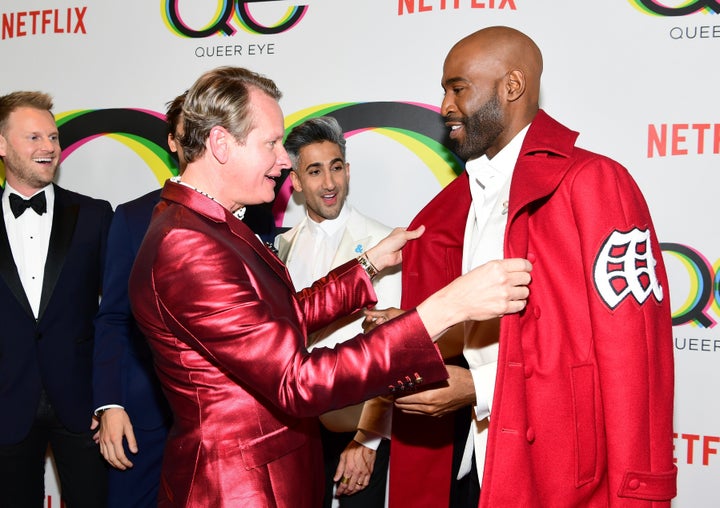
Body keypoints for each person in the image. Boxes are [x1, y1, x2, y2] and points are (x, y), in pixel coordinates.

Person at [127, 65, 533, 508]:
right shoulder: (188, 243)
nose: (285, 161)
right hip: (239, 490)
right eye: (271, 143)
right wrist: (443, 311)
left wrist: (367, 265)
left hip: (274, 474)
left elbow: (279, 321)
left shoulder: (212, 225)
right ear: (221, 144)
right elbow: (297, 379)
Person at [370, 26, 676, 507]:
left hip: (557, 475)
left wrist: (479, 388)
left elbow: (629, 355)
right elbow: (497, 325)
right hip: (475, 462)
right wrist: (418, 329)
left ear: (511, 87)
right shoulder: (463, 201)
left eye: (457, 88)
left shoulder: (594, 181)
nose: (445, 106)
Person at [276, 116, 399, 507]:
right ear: (295, 181)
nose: (329, 184)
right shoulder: (280, 249)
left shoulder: (384, 243)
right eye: (315, 171)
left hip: (356, 429)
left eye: (336, 168)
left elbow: (392, 348)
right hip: (296, 433)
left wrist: (368, 439)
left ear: (347, 170)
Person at [0, 91, 112, 507]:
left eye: (53, 137)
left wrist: (112, 399)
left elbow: (117, 316)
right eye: (33, 138)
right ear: (2, 145)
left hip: (83, 407)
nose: (48, 147)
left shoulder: (95, 216)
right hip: (6, 404)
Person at [90, 91, 187, 507]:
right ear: (173, 140)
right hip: (143, 419)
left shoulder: (253, 217)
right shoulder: (131, 217)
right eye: (191, 128)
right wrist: (109, 404)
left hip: (224, 425)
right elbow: (112, 317)